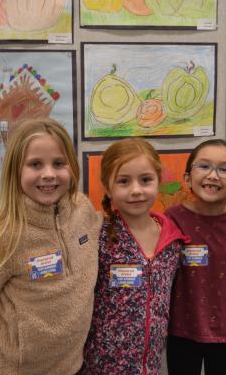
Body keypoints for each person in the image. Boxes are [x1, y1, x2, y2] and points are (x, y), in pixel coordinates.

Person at [0, 118, 102, 375]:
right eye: (35, 164)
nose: (48, 173)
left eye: (58, 163)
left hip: (73, 366)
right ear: (16, 170)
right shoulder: (2, 236)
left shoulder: (84, 210)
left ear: (71, 166)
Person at [80, 138, 190, 374]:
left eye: (145, 180)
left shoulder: (172, 239)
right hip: (99, 364)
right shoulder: (98, 236)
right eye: (123, 181)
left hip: (149, 364)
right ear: (108, 188)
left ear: (159, 181)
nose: (136, 190)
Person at [165, 139, 226, 375]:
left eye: (224, 169)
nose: (213, 175)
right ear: (188, 178)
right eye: (204, 166)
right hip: (181, 329)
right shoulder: (172, 217)